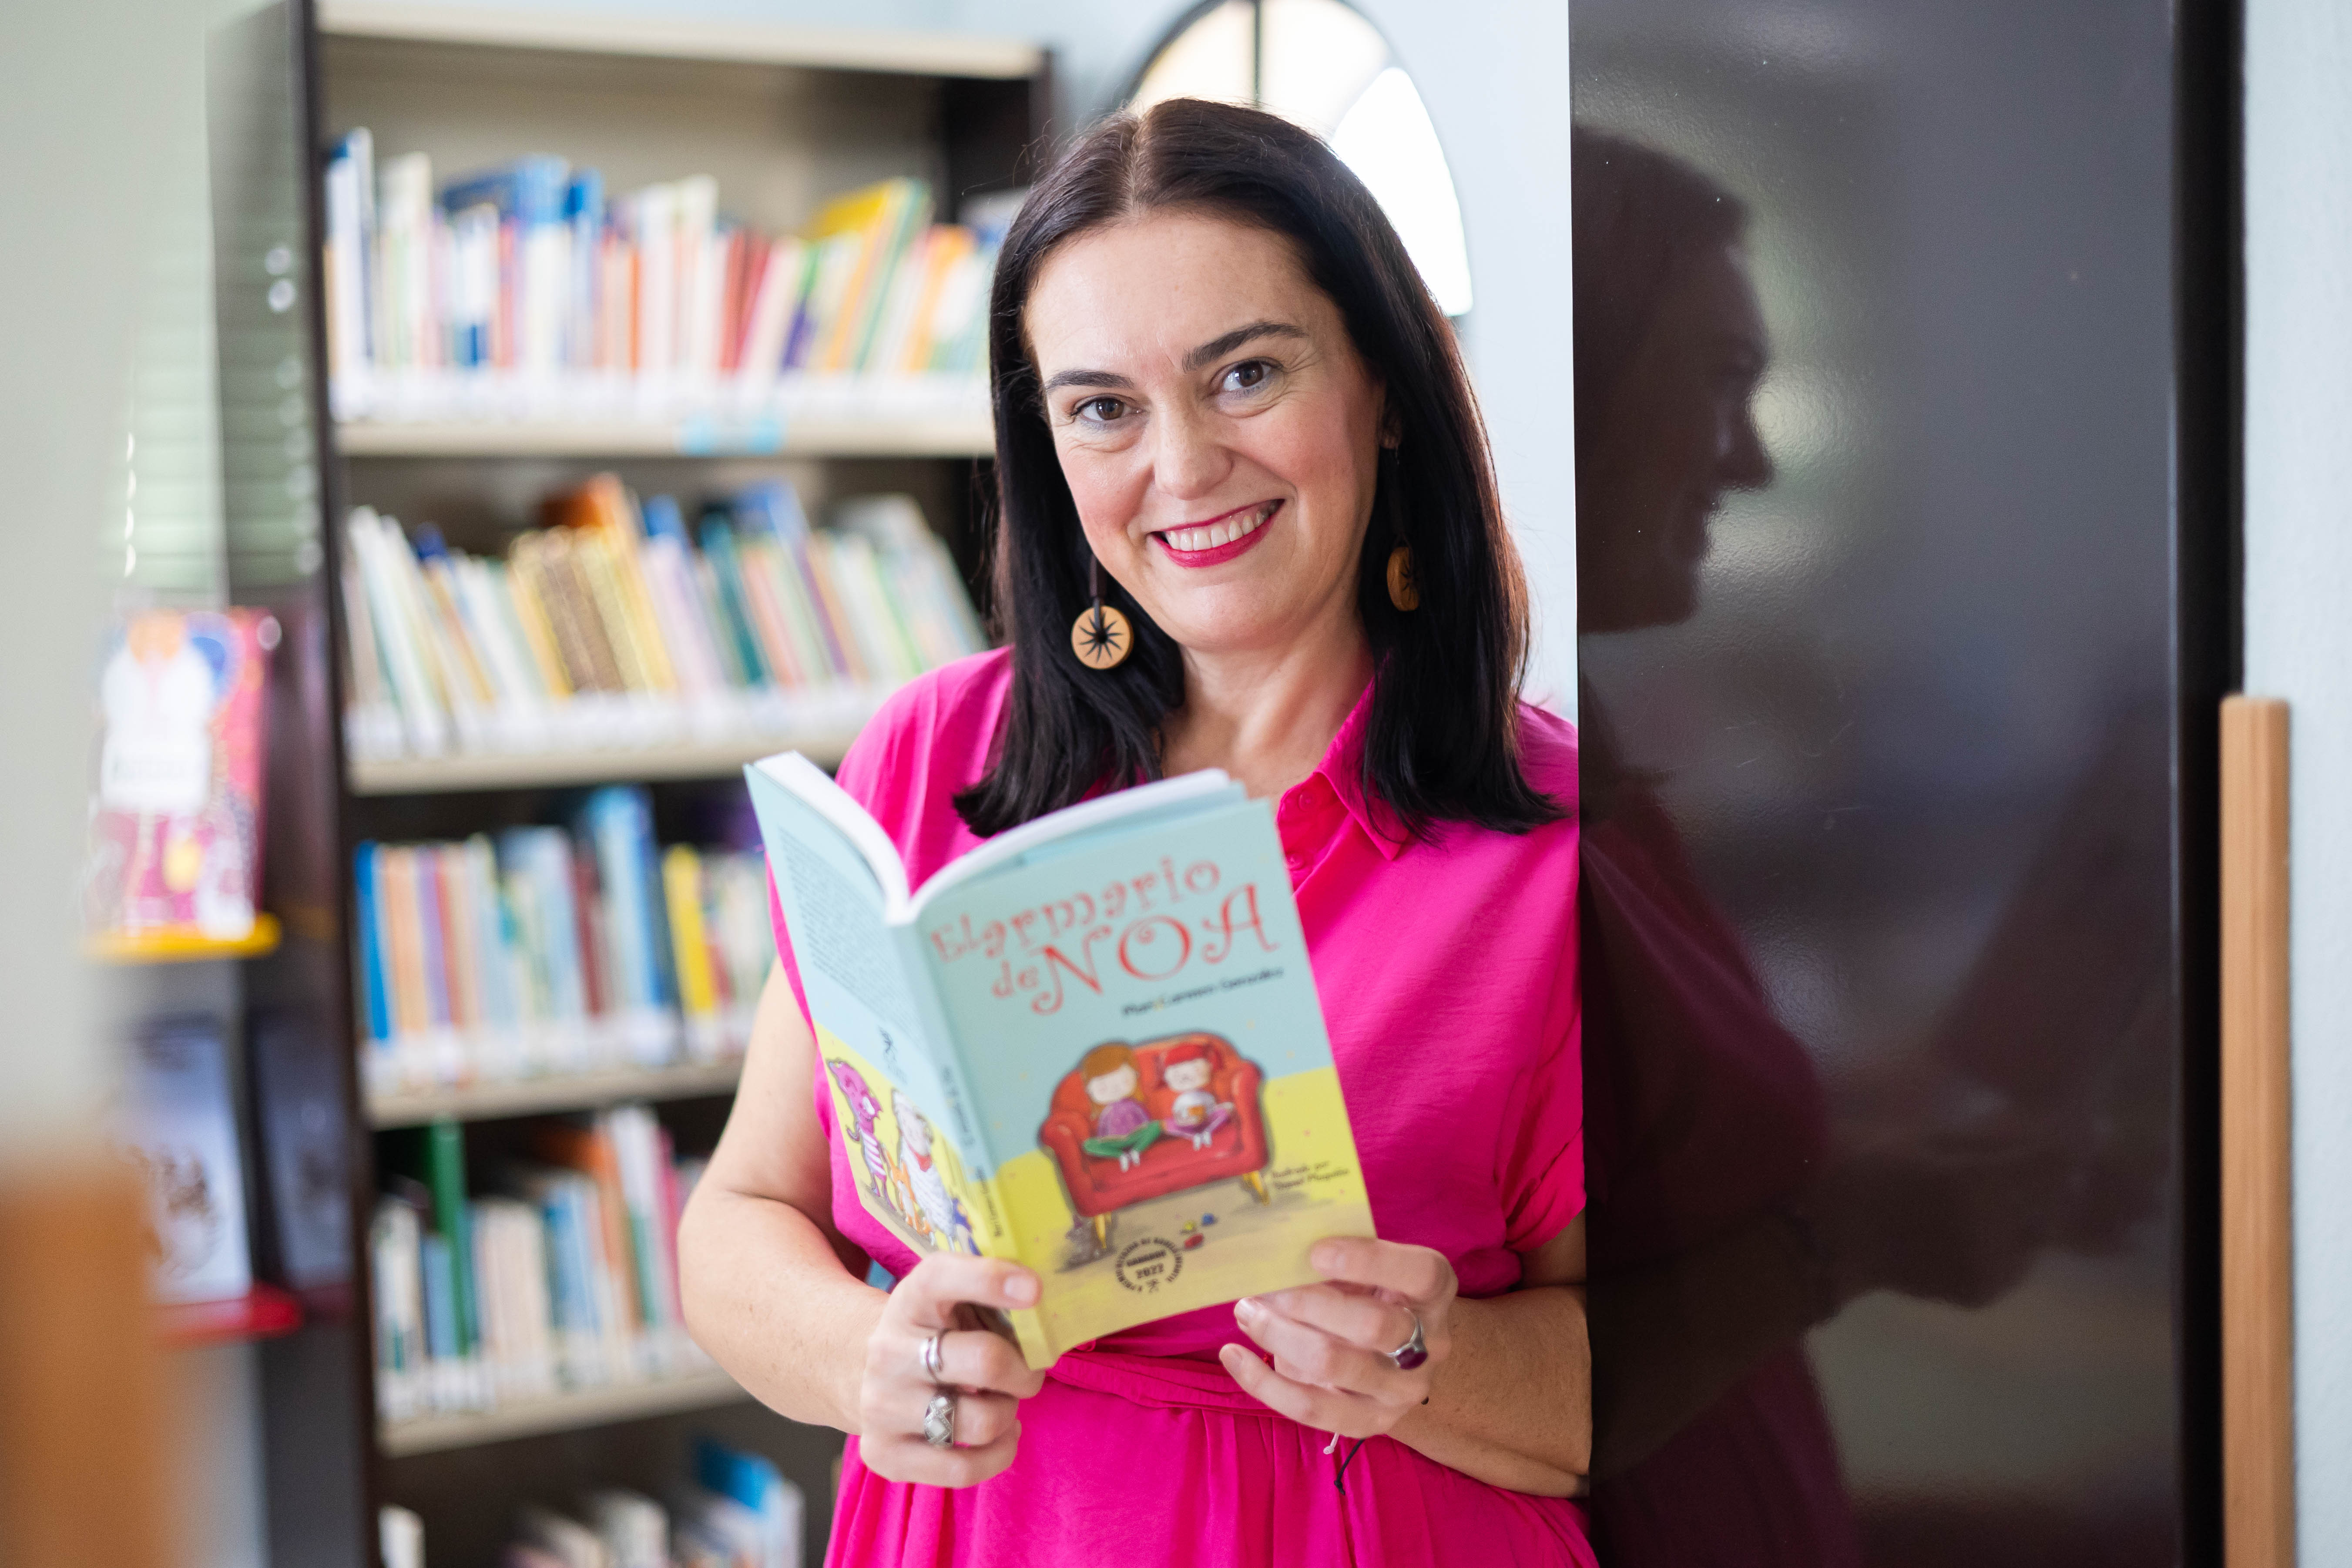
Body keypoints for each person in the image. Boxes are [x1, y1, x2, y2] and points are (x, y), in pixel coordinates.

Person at [679, 98, 1595, 1565]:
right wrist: (869, 1356)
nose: (1181, 467)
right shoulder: (931, 756)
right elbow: (737, 1220)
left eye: (1244, 375)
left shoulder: (1560, 849)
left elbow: (1655, 1383)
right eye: (1103, 405)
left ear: (1388, 387)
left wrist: (1433, 1361)